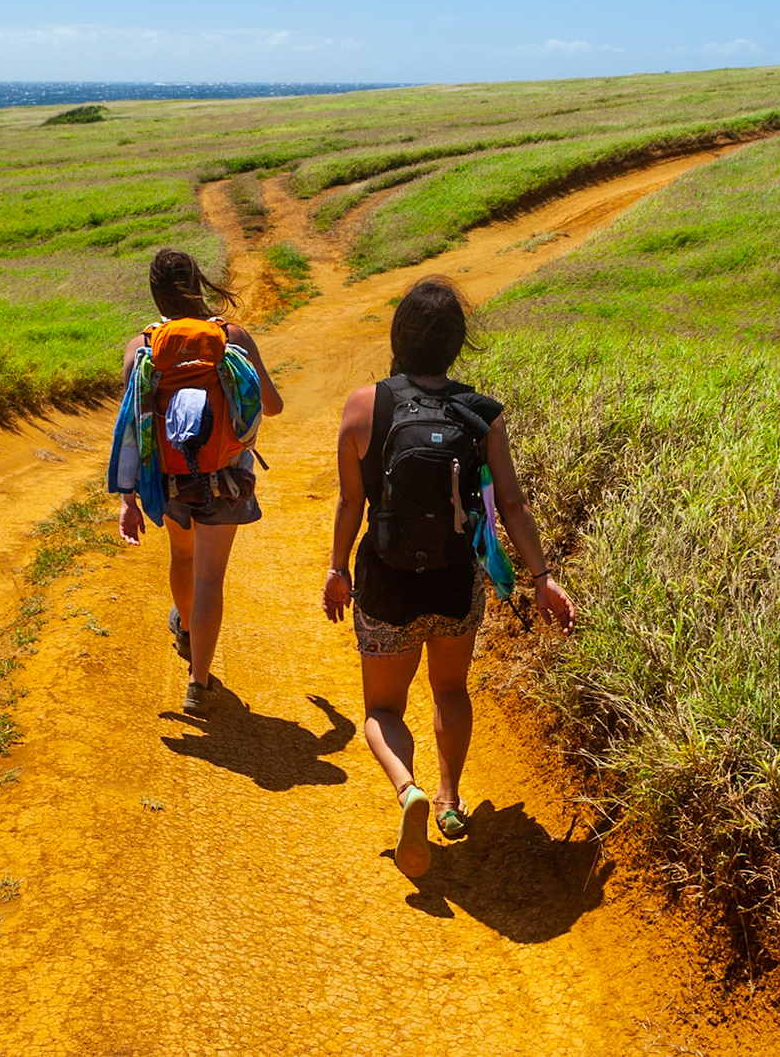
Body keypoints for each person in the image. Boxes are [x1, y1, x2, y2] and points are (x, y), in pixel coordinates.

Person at [321, 277, 575, 878]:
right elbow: (512, 505)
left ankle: (406, 788)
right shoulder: (480, 413)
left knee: (383, 709)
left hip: (386, 581)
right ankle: (449, 798)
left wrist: (337, 569)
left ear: (398, 337)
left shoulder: (363, 406)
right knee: (451, 691)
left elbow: (350, 502)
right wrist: (542, 577)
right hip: (455, 581)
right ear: (457, 344)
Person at [115, 250, 283, 715]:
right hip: (226, 477)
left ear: (155, 293)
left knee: (183, 557)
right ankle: (199, 682)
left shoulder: (142, 347)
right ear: (199, 283)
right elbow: (272, 406)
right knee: (210, 576)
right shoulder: (232, 337)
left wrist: (127, 498)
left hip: (170, 478)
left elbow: (131, 429)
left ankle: (186, 630)